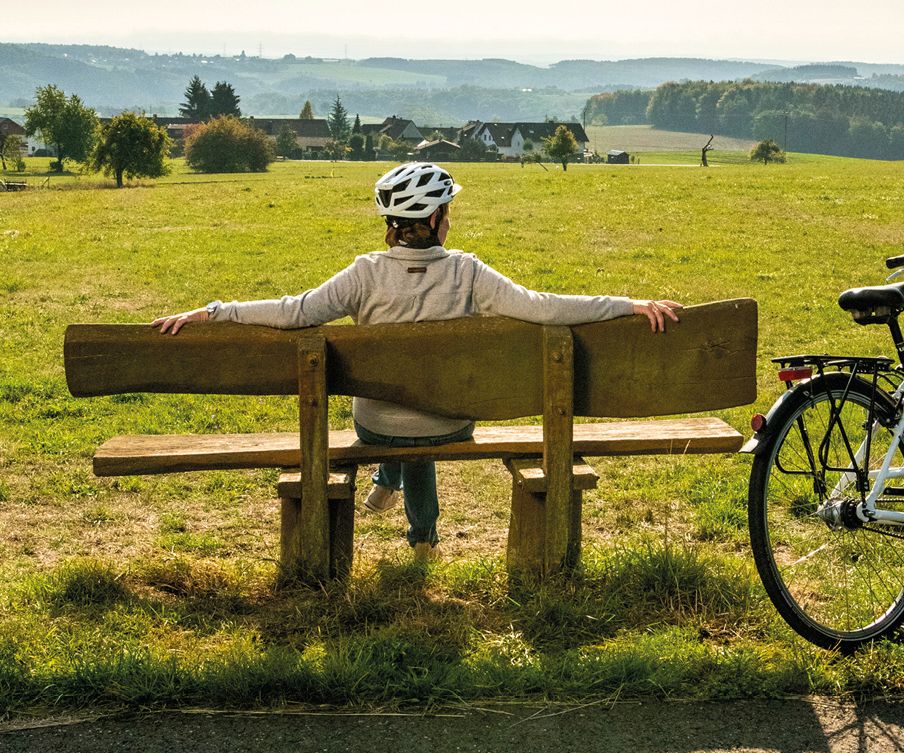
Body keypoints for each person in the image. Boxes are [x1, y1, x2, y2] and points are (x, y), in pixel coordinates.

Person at [152, 162, 681, 561]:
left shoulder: (362, 274)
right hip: (450, 421)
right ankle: (422, 536)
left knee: (397, 415)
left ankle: (390, 481)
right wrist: (626, 305)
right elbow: (543, 307)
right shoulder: (469, 273)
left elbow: (294, 312)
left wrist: (215, 311)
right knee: (428, 413)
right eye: (448, 211)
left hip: (376, 423)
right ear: (434, 217)